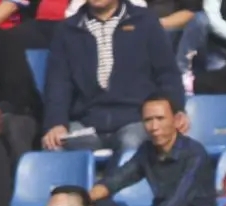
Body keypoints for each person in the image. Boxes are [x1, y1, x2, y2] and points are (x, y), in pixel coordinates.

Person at [42, 0, 177, 154]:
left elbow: (167, 73)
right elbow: (58, 83)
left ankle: (112, 179)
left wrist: (175, 110)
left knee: (134, 144)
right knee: (55, 145)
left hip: (135, 119)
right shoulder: (67, 30)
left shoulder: (145, 22)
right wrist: (56, 123)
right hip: (85, 122)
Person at [91, 96, 215, 206]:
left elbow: (176, 203)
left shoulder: (195, 154)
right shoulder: (147, 150)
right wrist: (78, 201)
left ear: (177, 120)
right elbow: (117, 179)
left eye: (160, 119)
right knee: (97, 202)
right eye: (148, 120)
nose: (154, 127)